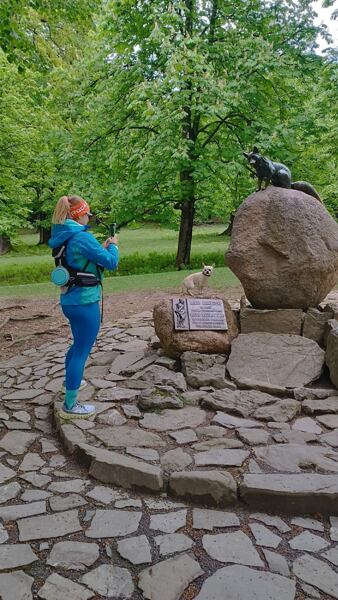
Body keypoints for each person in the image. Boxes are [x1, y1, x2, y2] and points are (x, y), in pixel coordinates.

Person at [48, 195, 119, 418]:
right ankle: (70, 405)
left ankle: (68, 384)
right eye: (87, 213)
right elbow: (111, 262)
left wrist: (102, 247)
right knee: (81, 350)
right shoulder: (81, 237)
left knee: (77, 345)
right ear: (78, 215)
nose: (89, 217)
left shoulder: (62, 235)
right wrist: (113, 247)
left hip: (69, 301)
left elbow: (80, 258)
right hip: (85, 301)